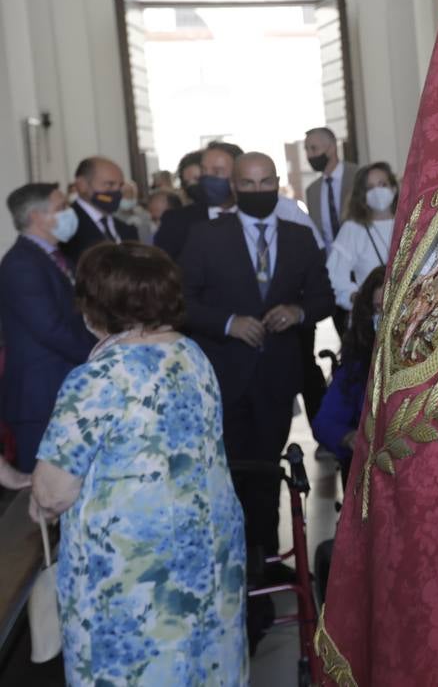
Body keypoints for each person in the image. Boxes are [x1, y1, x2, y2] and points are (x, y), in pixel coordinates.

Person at [28, 242, 247, 686]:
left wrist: (40, 502)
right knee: (204, 661)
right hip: (205, 542)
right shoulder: (191, 354)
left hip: (135, 566)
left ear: (97, 306)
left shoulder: (99, 376)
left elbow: (53, 491)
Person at [179, 152, 335, 570]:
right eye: (248, 184)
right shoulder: (206, 237)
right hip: (225, 375)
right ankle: (232, 561)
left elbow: (323, 297)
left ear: (277, 182)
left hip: (276, 375)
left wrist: (298, 312)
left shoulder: (300, 237)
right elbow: (182, 301)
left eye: (265, 182)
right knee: (228, 470)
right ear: (234, 186)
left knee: (268, 468)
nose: (257, 190)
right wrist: (227, 323)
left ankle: (265, 555)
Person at [0, 184, 95, 471]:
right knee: (44, 488)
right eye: (61, 208)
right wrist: (101, 354)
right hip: (40, 397)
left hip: (63, 388)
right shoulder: (21, 264)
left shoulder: (55, 256)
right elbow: (50, 329)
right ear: (37, 216)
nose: (69, 213)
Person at [313, 268, 383, 484]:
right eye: (378, 309)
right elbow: (325, 422)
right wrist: (349, 437)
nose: (383, 318)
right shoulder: (359, 364)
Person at [326, 162, 398, 312]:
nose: (377, 191)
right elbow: (334, 276)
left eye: (382, 184)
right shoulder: (353, 229)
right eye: (370, 188)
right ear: (363, 195)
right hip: (372, 318)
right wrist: (359, 299)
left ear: (394, 188)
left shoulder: (410, 222)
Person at [156, 143, 238, 260]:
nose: (207, 178)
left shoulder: (257, 217)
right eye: (204, 171)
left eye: (217, 172)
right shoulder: (175, 222)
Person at [63, 156, 137, 262]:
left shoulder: (127, 229)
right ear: (82, 185)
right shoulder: (66, 227)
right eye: (109, 184)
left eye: (120, 185)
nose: (117, 191)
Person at [303, 127, 357, 254]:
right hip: (329, 263)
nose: (309, 155)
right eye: (306, 150)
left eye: (313, 148)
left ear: (331, 148)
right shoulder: (312, 190)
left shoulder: (357, 176)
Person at [114, 179, 154, 243]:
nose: (126, 196)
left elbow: (146, 239)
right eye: (123, 193)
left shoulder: (144, 214)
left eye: (130, 193)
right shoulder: (113, 215)